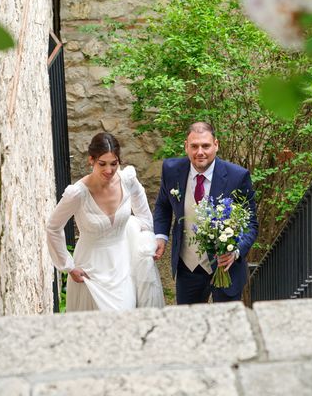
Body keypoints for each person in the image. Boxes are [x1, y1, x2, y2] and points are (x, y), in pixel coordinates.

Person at [46, 132, 164, 311]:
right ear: (91, 160)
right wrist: (69, 266)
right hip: (89, 270)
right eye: (102, 164)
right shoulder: (78, 194)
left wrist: (145, 241)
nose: (109, 170)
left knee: (125, 316)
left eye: (114, 164)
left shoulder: (127, 181)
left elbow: (143, 214)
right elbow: (53, 227)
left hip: (122, 265)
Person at [153, 122, 258, 304]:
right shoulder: (171, 170)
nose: (200, 152)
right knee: (191, 325)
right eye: (194, 146)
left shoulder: (237, 177)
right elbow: (163, 205)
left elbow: (251, 224)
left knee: (225, 326)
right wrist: (160, 236)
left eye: (205, 146)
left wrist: (236, 251)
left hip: (226, 268)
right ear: (186, 146)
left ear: (216, 145)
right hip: (188, 267)